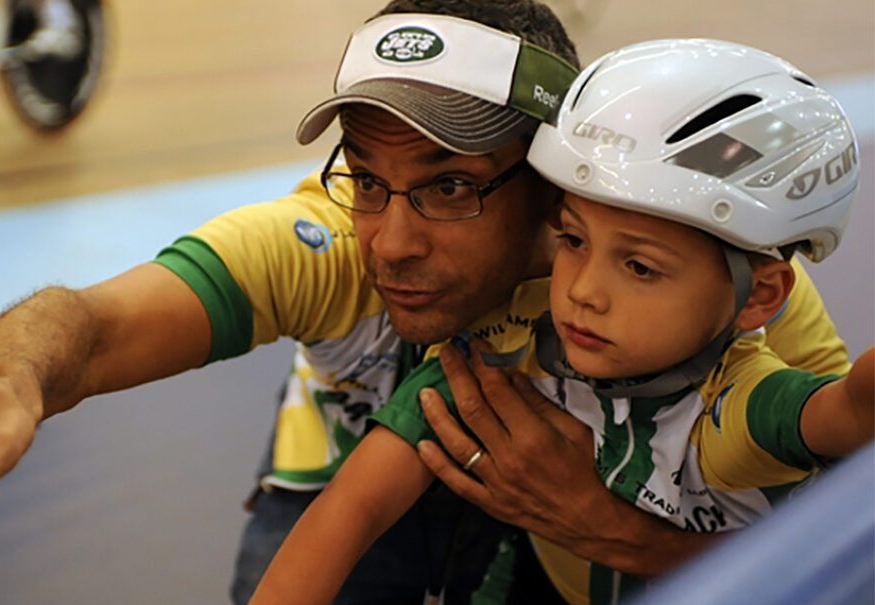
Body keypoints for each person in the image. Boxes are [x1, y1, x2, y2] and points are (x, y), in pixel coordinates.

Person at [0, 0, 850, 604]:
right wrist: (7, 382)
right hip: (351, 471)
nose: (389, 239)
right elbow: (92, 323)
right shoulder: (321, 240)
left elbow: (838, 540)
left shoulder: (729, 293)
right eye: (369, 176)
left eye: (447, 186)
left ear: (554, 185)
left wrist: (619, 532)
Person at [248, 38, 873, 605]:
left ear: (760, 297)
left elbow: (852, 407)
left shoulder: (741, 407)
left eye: (640, 267)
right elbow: (350, 509)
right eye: (573, 240)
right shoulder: (508, 347)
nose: (582, 293)